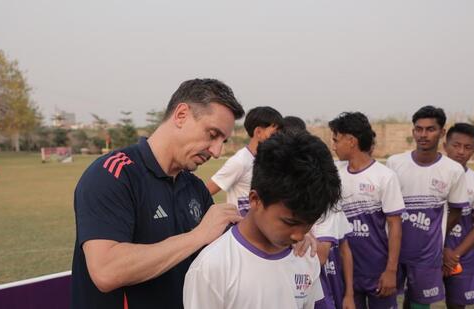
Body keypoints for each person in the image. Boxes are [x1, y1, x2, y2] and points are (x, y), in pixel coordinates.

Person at [71, 78, 245, 309]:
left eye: (223, 140)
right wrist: (198, 235)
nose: (216, 151)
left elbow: (226, 254)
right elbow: (106, 271)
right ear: (181, 115)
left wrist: (286, 235)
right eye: (212, 134)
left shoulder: (194, 187)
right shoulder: (112, 174)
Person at [183, 131, 342, 308]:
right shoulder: (212, 267)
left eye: (309, 224)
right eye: (290, 223)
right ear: (255, 200)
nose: (299, 235)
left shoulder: (305, 254)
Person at [317, 112, 405, 309]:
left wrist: (391, 270)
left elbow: (395, 225)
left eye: (336, 139)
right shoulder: (335, 174)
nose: (333, 145)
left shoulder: (385, 177)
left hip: (377, 270)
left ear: (351, 141)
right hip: (345, 271)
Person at [386, 106, 469, 309]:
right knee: (385, 299)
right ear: (413, 131)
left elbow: (456, 210)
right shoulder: (395, 163)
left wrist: (436, 235)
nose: (423, 135)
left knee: (419, 304)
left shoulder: (453, 170)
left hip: (427, 254)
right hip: (391, 250)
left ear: (442, 132)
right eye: (418, 129)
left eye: (430, 129)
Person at [443, 123, 474, 309]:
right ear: (445, 145)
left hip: (461, 254)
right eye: (456, 145)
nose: (461, 151)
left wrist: (454, 254)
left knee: (457, 304)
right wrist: (441, 250)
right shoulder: (429, 175)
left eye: (467, 147)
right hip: (428, 251)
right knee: (417, 299)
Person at [206, 106, 283, 215]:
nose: (278, 139)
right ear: (258, 132)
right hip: (241, 229)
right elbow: (206, 191)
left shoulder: (266, 161)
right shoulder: (240, 161)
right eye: (274, 134)